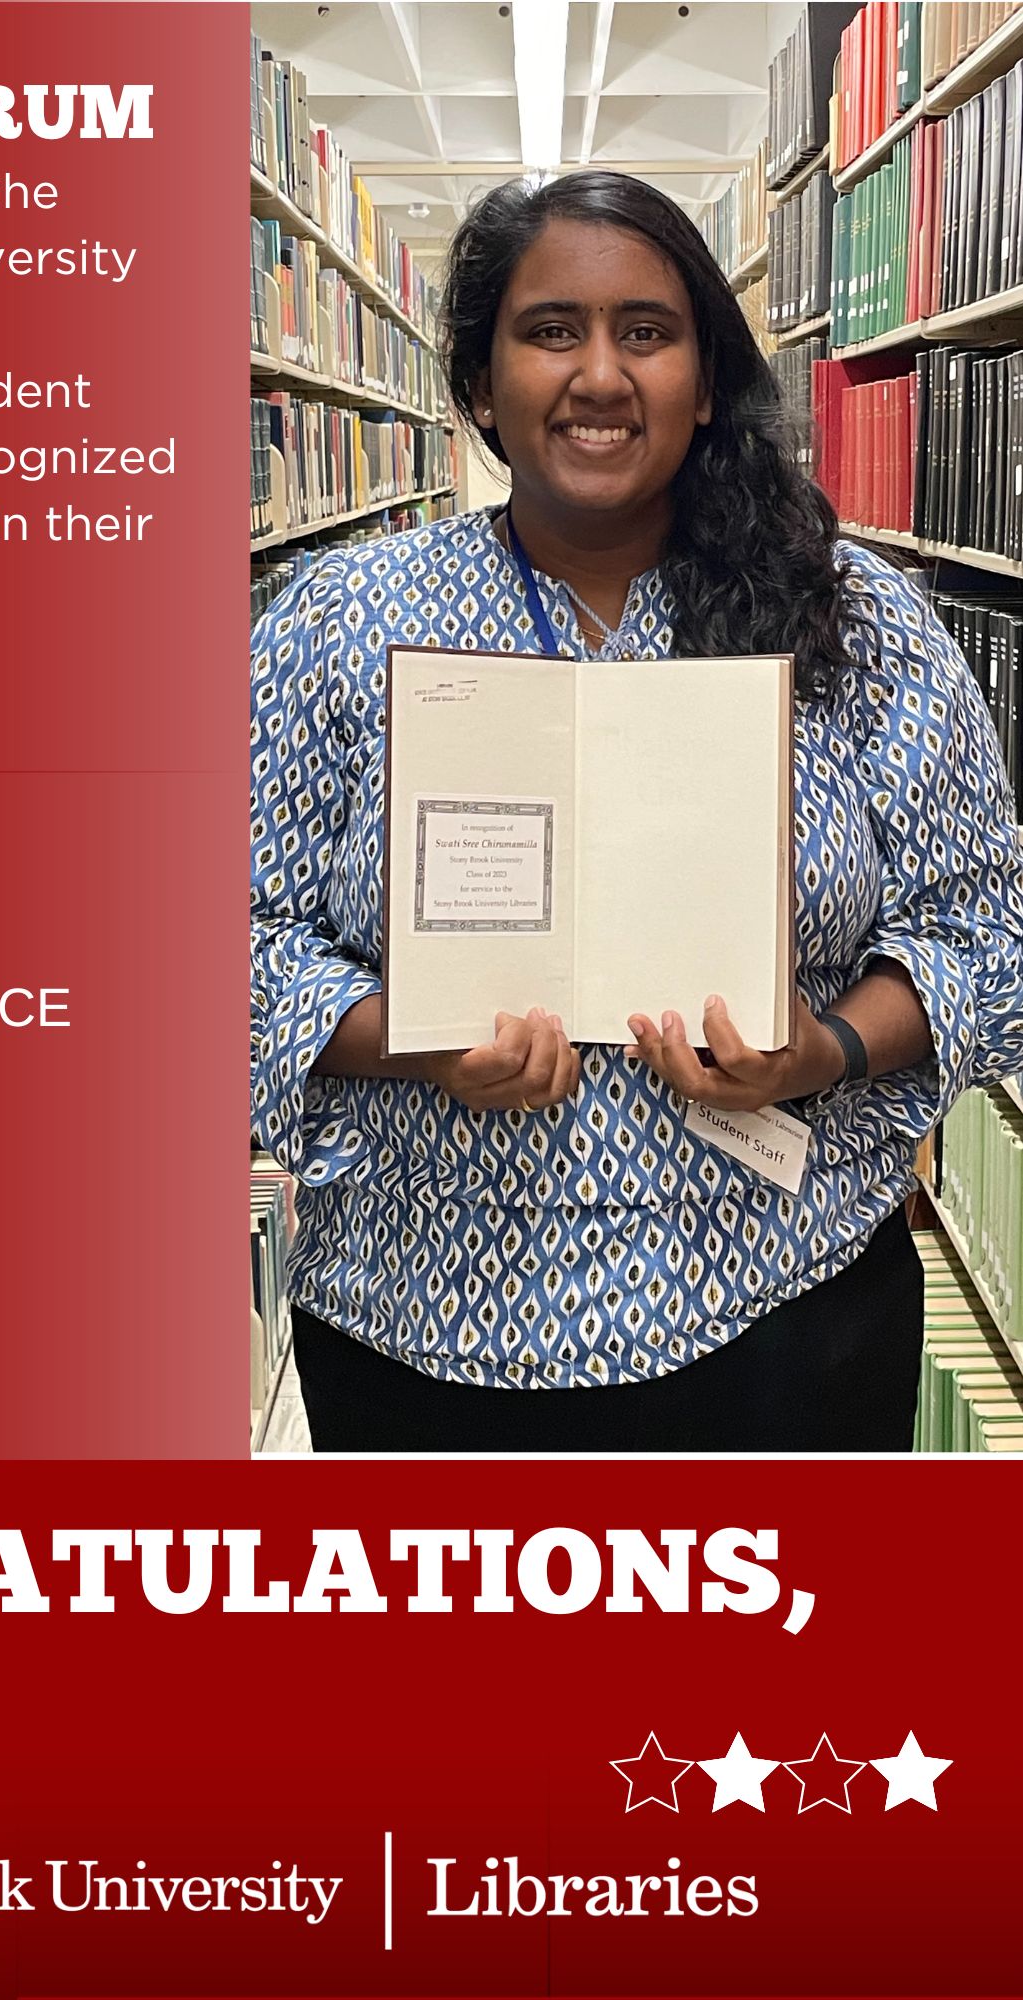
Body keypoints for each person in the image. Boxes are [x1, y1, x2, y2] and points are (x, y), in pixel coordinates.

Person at [249, 170, 1023, 1454]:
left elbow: (984, 922)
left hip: (787, 1314)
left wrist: (823, 1047)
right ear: (482, 386)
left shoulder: (856, 615)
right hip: (424, 1337)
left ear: (706, 380)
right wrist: (411, 1036)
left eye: (646, 332)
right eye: (551, 330)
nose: (599, 374)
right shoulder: (342, 622)